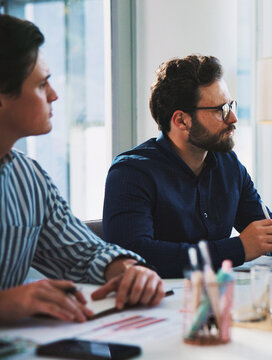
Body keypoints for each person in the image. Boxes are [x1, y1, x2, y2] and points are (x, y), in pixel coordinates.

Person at [0, 14, 165, 323]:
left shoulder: (29, 179)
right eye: (41, 84)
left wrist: (131, 271)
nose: (54, 94)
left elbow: (83, 252)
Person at [103, 55, 272, 278]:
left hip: (220, 299)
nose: (233, 118)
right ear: (181, 121)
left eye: (231, 106)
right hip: (160, 305)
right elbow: (133, 256)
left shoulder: (229, 165)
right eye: (220, 110)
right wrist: (238, 249)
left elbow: (267, 229)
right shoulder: (131, 173)